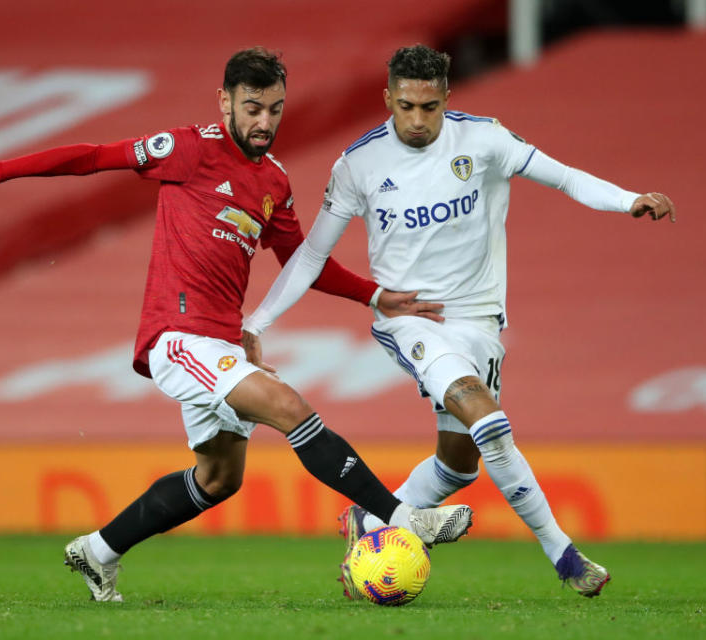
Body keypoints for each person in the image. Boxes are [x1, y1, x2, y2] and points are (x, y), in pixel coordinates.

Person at [0, 47, 472, 603]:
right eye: (253, 108)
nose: (265, 122)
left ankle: (97, 551)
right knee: (291, 409)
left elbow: (304, 263)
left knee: (218, 480)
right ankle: (405, 518)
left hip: (222, 343)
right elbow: (95, 156)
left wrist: (377, 295)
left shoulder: (275, 182)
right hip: (178, 336)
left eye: (276, 110)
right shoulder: (188, 149)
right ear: (226, 102)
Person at [242, 44, 676, 599]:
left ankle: (371, 523)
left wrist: (628, 199)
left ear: (448, 97)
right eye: (405, 107)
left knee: (460, 464)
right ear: (388, 100)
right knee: (486, 417)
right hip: (413, 320)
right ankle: (562, 553)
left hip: (480, 320)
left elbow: (564, 178)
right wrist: (258, 320)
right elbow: (309, 255)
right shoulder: (358, 163)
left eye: (430, 107)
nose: (418, 120)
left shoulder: (486, 140)